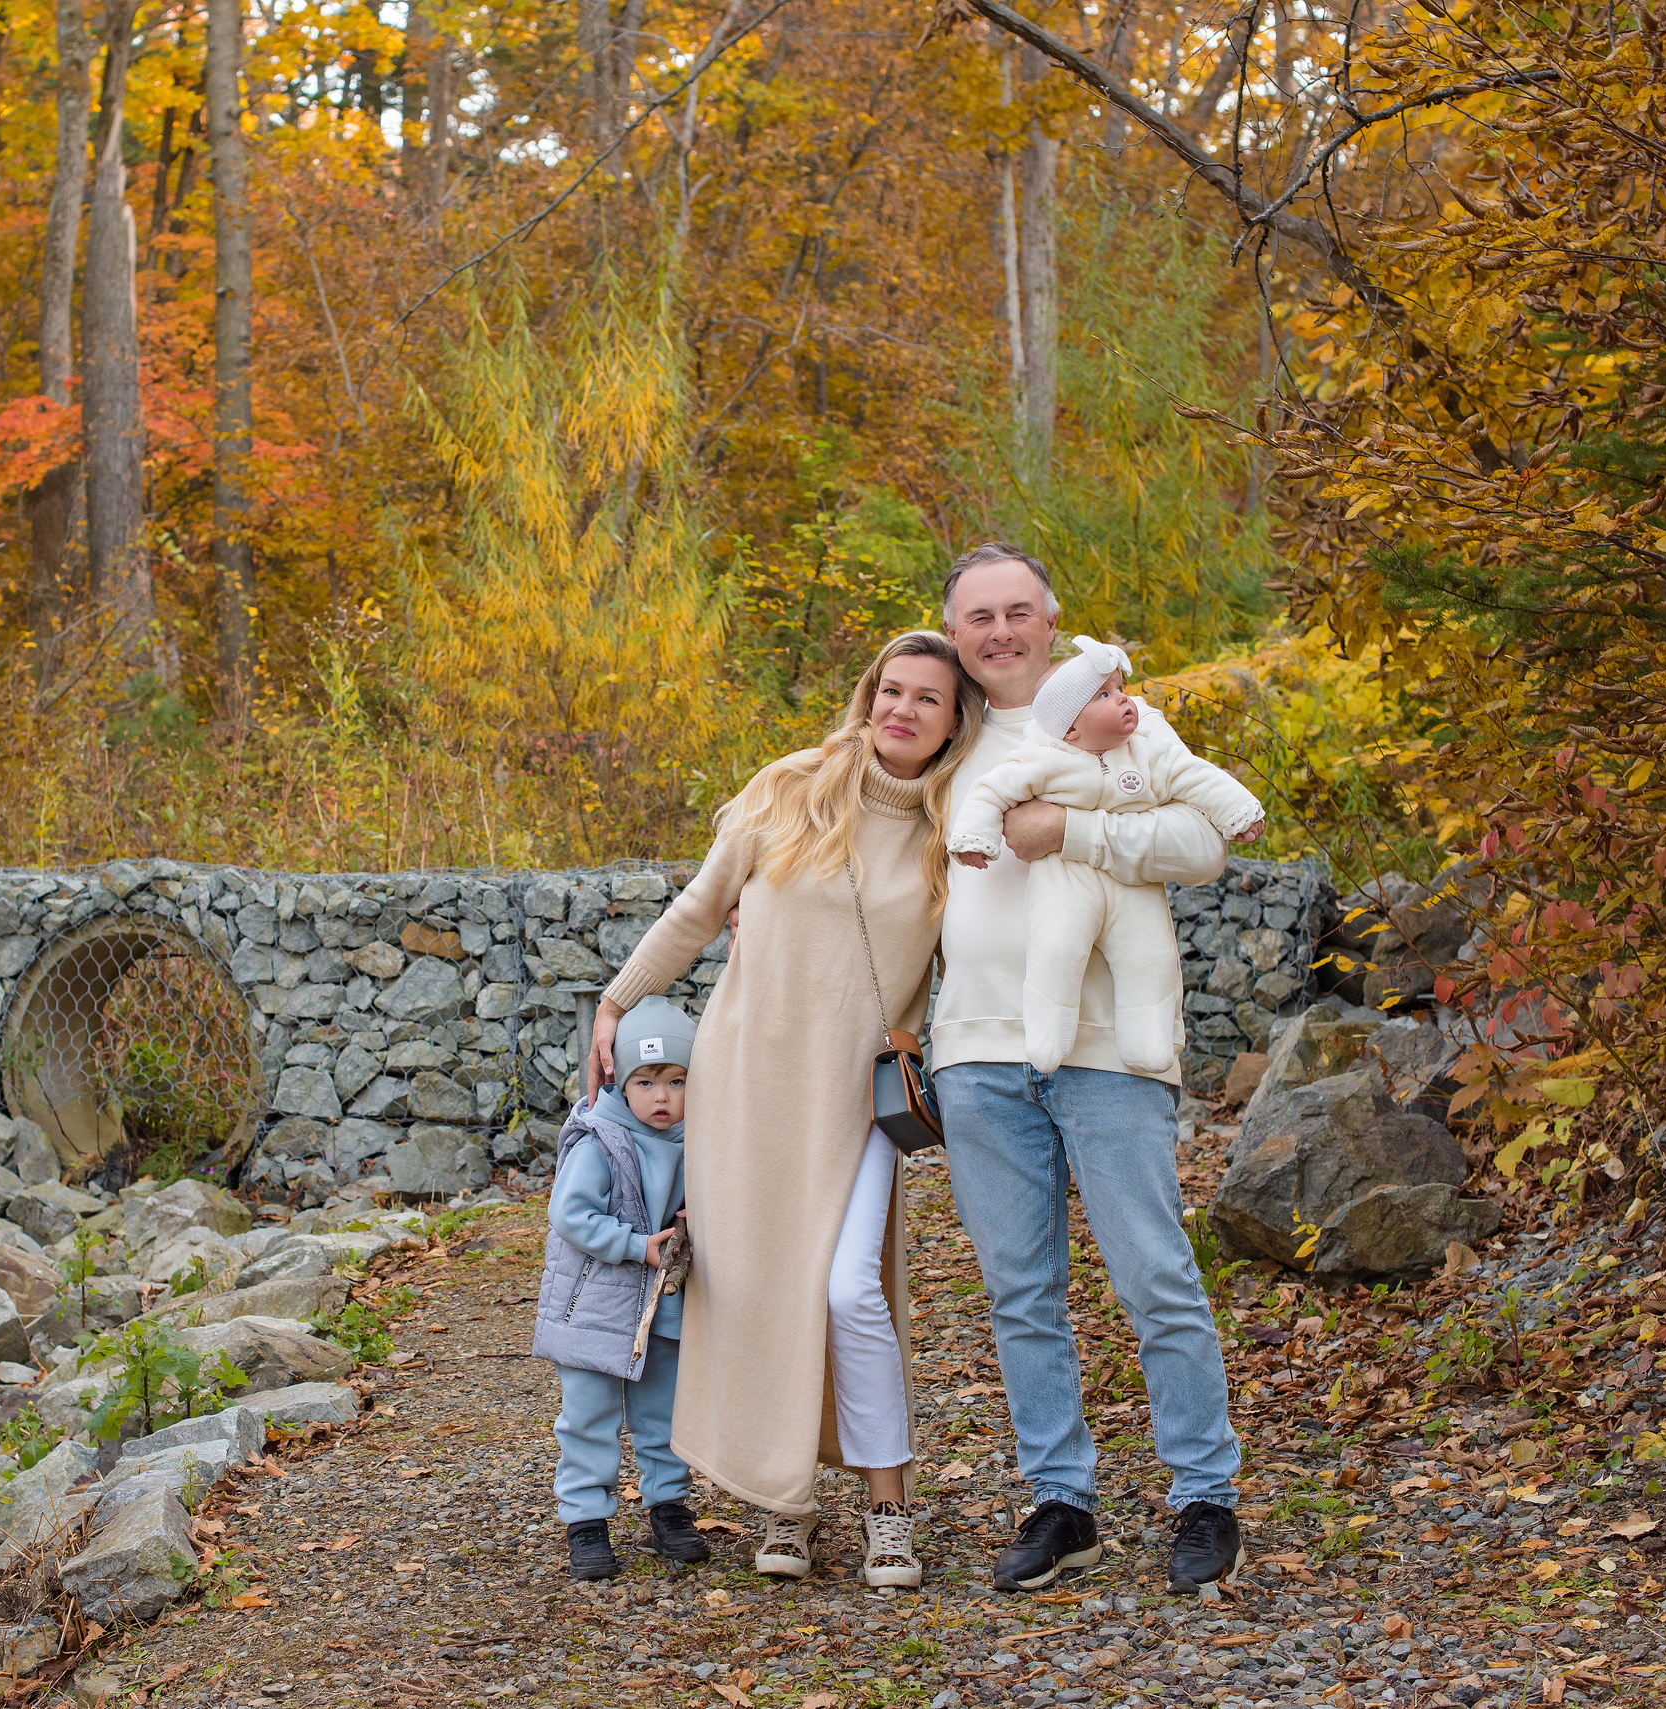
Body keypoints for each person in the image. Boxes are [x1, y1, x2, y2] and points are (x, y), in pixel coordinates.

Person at [588, 631, 983, 1590]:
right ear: (867, 694)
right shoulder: (787, 790)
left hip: (859, 1098)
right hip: (749, 1082)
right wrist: (616, 999)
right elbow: (696, 909)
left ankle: (888, 1511)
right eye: (892, 690)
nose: (903, 710)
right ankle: (785, 1502)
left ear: (956, 720)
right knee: (764, 1290)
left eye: (928, 699)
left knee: (849, 1288)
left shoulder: (960, 823)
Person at [930, 543, 1247, 1595]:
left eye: (1019, 610)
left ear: (1052, 615)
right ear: (955, 631)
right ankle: (1060, 1500)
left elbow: (1203, 842)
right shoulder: (946, 735)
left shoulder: (1112, 711)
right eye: (980, 616)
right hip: (978, 1051)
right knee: (1021, 1291)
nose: (1001, 631)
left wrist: (1066, 829)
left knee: (1153, 1274)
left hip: (1108, 1047)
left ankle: (1204, 1495)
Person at [949, 633, 1265, 1075]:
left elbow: (1198, 779)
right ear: (1071, 728)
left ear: (1049, 620)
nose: (1124, 701)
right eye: (1104, 695)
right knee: (1057, 947)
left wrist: (1238, 812)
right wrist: (974, 839)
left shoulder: (1147, 746)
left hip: (1132, 888)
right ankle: (1047, 1034)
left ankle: (1148, 1040)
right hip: (1064, 885)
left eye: (1120, 689)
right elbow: (990, 793)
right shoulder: (1041, 756)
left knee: (1149, 956)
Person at [533, 995, 707, 1580]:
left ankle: (668, 1506)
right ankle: (585, 1519)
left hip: (661, 1303)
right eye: (646, 1081)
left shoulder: (695, 1141)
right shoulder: (600, 1140)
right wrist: (638, 1246)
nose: (662, 1098)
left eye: (677, 1081)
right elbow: (571, 1214)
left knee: (663, 1410)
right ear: (618, 1080)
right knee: (589, 1412)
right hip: (598, 1304)